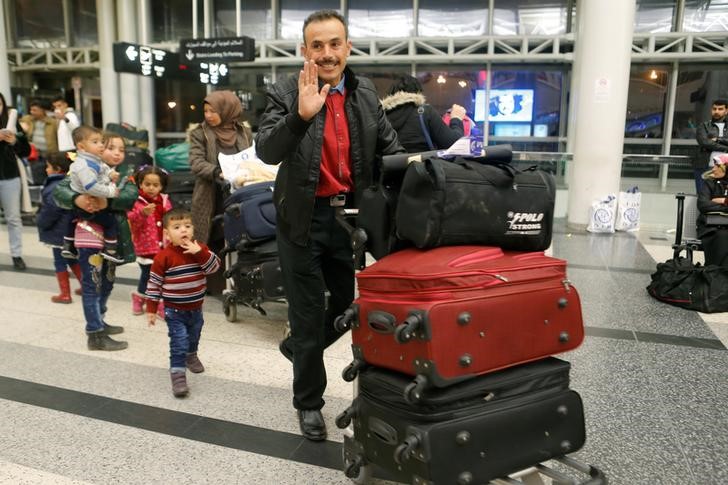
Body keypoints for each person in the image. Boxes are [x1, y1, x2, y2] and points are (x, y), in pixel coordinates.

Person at [255, 9, 403, 441]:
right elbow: (266, 150)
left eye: (334, 44)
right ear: (304, 51)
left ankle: (298, 349)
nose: (326, 53)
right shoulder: (286, 92)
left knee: (342, 308)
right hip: (301, 219)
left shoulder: (365, 94)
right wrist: (299, 116)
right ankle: (309, 404)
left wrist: (428, 167)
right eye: (316, 45)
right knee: (306, 316)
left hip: (347, 219)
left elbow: (389, 152)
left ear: (347, 48)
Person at [53, 131, 137, 351]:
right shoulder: (83, 167)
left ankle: (99, 319)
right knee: (91, 285)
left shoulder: (126, 172)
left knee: (107, 282)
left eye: (122, 150)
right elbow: (60, 191)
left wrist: (106, 202)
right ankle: (95, 333)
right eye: (110, 147)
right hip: (87, 235)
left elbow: (129, 196)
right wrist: (77, 199)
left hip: (114, 240)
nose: (116, 153)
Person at [145, 208, 221, 398]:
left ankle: (191, 356)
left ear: (193, 229)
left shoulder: (200, 249)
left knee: (194, 336)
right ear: (167, 233)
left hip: (196, 309)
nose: (183, 230)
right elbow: (154, 284)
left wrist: (200, 253)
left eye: (187, 226)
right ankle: (178, 375)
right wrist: (151, 308)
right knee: (178, 343)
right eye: (177, 227)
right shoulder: (163, 257)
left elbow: (214, 268)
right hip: (174, 311)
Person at [188, 90, 253, 294]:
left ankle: (240, 283)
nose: (208, 115)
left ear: (227, 110)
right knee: (213, 237)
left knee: (240, 237)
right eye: (205, 111)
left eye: (213, 111)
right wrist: (218, 172)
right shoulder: (200, 133)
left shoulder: (243, 131)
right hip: (211, 194)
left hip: (239, 191)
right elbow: (196, 163)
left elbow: (251, 157)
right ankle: (215, 286)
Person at [63, 125, 122, 262]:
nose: (101, 145)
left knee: (71, 217)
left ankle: (68, 244)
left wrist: (110, 173)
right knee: (110, 222)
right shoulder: (84, 165)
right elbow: (91, 187)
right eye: (95, 142)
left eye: (102, 142)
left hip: (87, 202)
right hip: (89, 205)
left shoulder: (93, 160)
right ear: (82, 147)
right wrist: (110, 192)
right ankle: (110, 249)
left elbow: (103, 168)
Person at [37, 151, 83, 302]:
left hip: (58, 233)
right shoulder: (70, 182)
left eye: (48, 167)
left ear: (57, 169)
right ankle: (86, 286)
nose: (46, 169)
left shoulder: (54, 187)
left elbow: (51, 211)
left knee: (59, 261)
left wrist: (41, 222)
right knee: (72, 259)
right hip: (70, 230)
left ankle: (65, 294)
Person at [127, 165, 171, 316]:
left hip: (163, 247)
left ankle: (143, 299)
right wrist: (142, 213)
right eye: (147, 184)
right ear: (140, 184)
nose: (151, 188)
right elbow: (132, 222)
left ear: (161, 186)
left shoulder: (164, 201)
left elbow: (170, 221)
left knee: (159, 277)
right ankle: (151, 302)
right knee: (149, 276)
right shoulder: (136, 202)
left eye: (155, 185)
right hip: (146, 248)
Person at [380, 74, 465, 152]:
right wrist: (456, 119)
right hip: (420, 167)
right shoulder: (425, 112)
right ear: (418, 93)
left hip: (389, 168)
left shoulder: (381, 118)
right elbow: (454, 144)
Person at [0, 93, 31, 270]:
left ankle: (16, 255)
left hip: (10, 176)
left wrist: (14, 142)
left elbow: (25, 151)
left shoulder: (11, 122)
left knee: (13, 218)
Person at [697, 154, 728, 267]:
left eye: (717, 166)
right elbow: (703, 205)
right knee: (722, 237)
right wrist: (726, 204)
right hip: (710, 227)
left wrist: (722, 201)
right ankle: (716, 273)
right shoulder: (709, 183)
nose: (713, 169)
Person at [20, 99, 58, 185]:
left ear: (43, 110)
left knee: (51, 176)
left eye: (35, 110)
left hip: (50, 154)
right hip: (35, 154)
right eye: (31, 110)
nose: (32, 112)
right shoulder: (28, 119)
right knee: (37, 177)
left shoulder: (53, 122)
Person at [695, 99, 728, 194]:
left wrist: (718, 139)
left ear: (726, 111)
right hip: (705, 165)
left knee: (723, 196)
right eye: (714, 109)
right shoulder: (704, 126)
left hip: (725, 168)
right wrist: (726, 148)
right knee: (703, 195)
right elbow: (704, 142)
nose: (716, 111)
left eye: (720, 109)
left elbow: (710, 143)